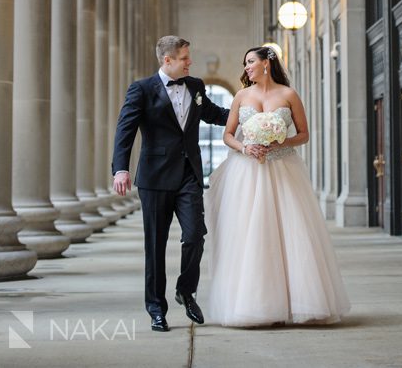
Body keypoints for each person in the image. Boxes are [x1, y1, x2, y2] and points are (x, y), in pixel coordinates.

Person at [205, 46, 350, 327]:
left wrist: (280, 142)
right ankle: (255, 304)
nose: (246, 68)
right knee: (253, 234)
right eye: (245, 63)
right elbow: (228, 135)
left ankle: (296, 302)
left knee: (291, 234)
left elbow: (304, 134)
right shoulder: (241, 96)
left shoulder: (288, 95)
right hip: (248, 172)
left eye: (250, 62)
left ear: (266, 63)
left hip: (284, 170)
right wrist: (245, 147)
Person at [112, 35, 229, 333]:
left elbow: (215, 114)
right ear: (168, 60)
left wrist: (251, 114)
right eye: (185, 58)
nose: (190, 62)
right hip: (154, 179)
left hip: (189, 175)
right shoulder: (141, 89)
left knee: (195, 236)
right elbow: (125, 130)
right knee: (155, 246)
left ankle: (185, 290)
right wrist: (120, 169)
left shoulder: (196, 86)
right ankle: (156, 309)